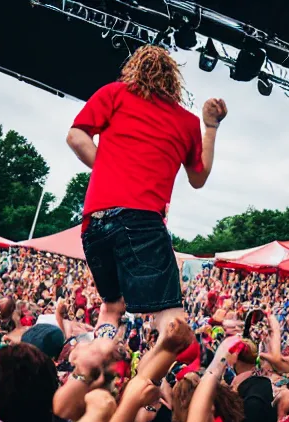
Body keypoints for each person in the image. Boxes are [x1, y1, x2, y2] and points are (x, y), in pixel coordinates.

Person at [66, 44, 227, 338]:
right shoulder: (187, 123)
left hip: (94, 224)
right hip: (141, 222)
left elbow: (76, 136)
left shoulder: (113, 93)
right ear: (173, 80)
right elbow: (198, 177)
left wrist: (107, 170)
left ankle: (92, 369)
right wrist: (211, 126)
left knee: (111, 306)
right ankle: (159, 381)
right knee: (170, 314)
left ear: (135, 70)